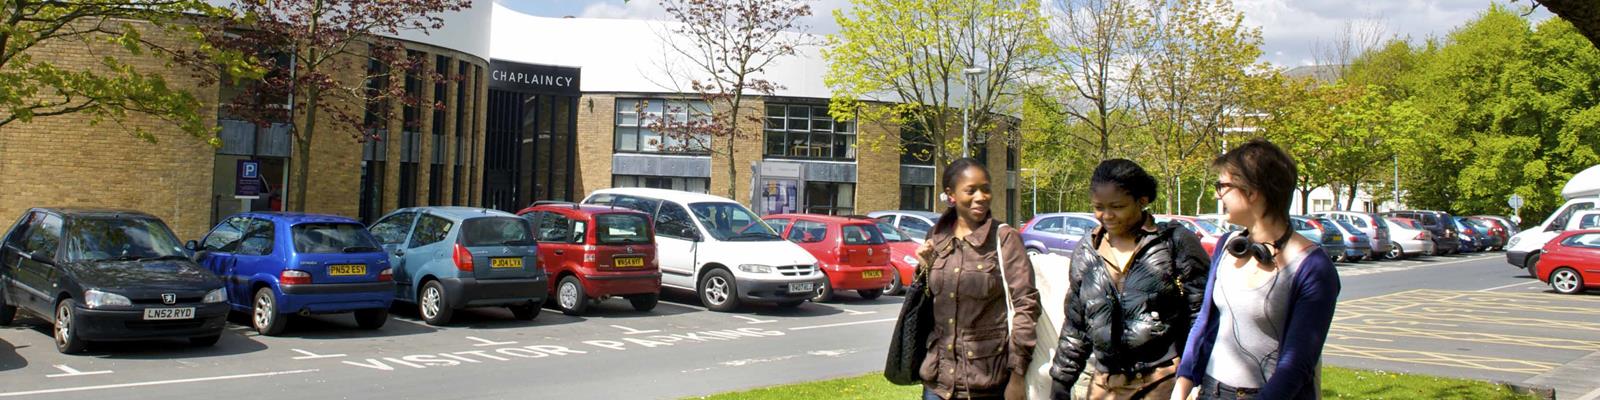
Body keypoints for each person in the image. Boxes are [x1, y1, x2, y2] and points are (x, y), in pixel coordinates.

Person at [1171, 139, 1341, 400]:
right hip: (1211, 391)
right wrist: (1181, 388)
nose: (1217, 195)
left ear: (1252, 192)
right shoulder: (1227, 245)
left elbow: (1297, 365)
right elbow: (1204, 323)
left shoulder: (1313, 267)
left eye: (1223, 186)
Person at [1050, 159, 1210, 400]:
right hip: (1105, 385)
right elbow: (1076, 323)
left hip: (1163, 381)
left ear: (1142, 201)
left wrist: (1193, 376)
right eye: (1098, 207)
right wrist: (1061, 380)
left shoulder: (1175, 242)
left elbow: (1201, 314)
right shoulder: (1086, 250)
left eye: (1117, 206)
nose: (1106, 216)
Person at [916, 157, 1041, 400]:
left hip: (986, 381)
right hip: (938, 381)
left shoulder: (1004, 238)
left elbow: (1026, 306)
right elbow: (927, 306)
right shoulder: (936, 237)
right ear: (951, 195)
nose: (981, 196)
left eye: (986, 189)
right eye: (971, 190)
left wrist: (1017, 376)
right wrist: (922, 268)